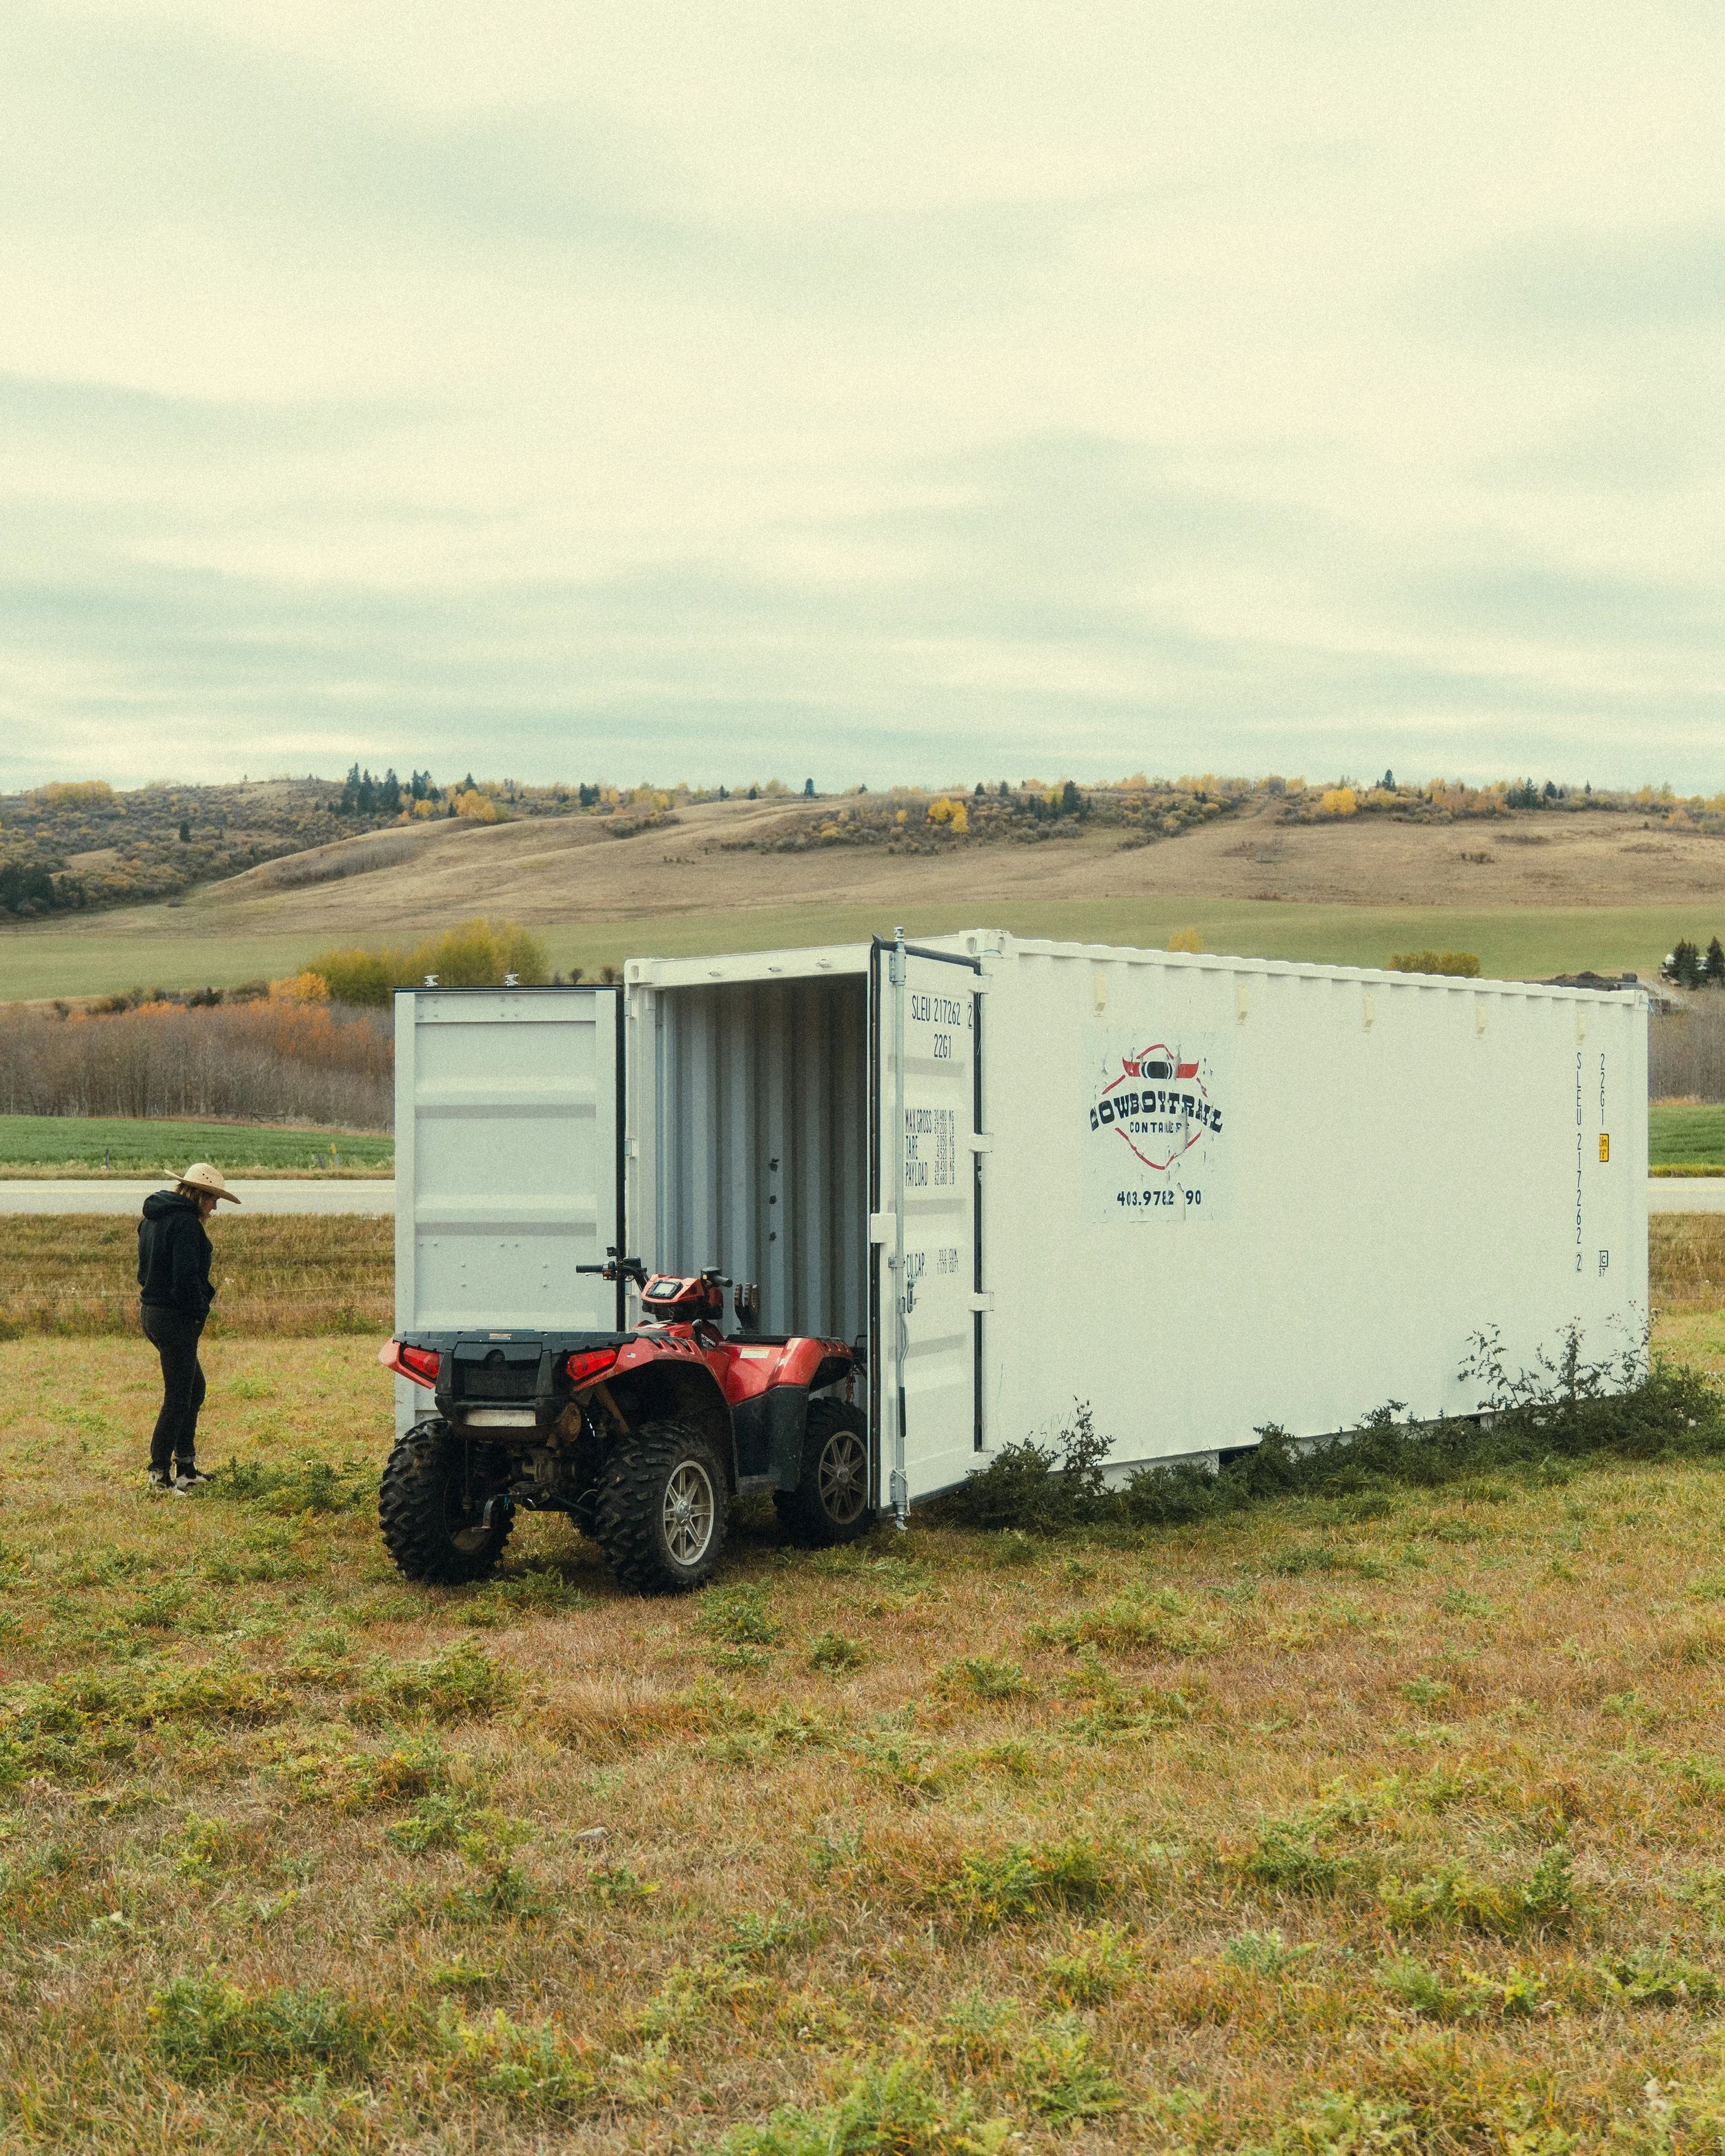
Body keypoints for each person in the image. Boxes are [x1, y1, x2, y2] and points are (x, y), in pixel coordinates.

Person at [137, 1163, 240, 1493]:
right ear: (201, 1194)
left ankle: (187, 1468)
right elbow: (185, 1279)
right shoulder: (186, 1225)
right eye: (213, 1199)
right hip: (175, 1318)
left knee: (194, 1390)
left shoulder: (152, 1219)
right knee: (179, 1396)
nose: (215, 1206)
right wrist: (199, 1309)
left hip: (152, 1313)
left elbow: (144, 1274)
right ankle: (159, 1475)